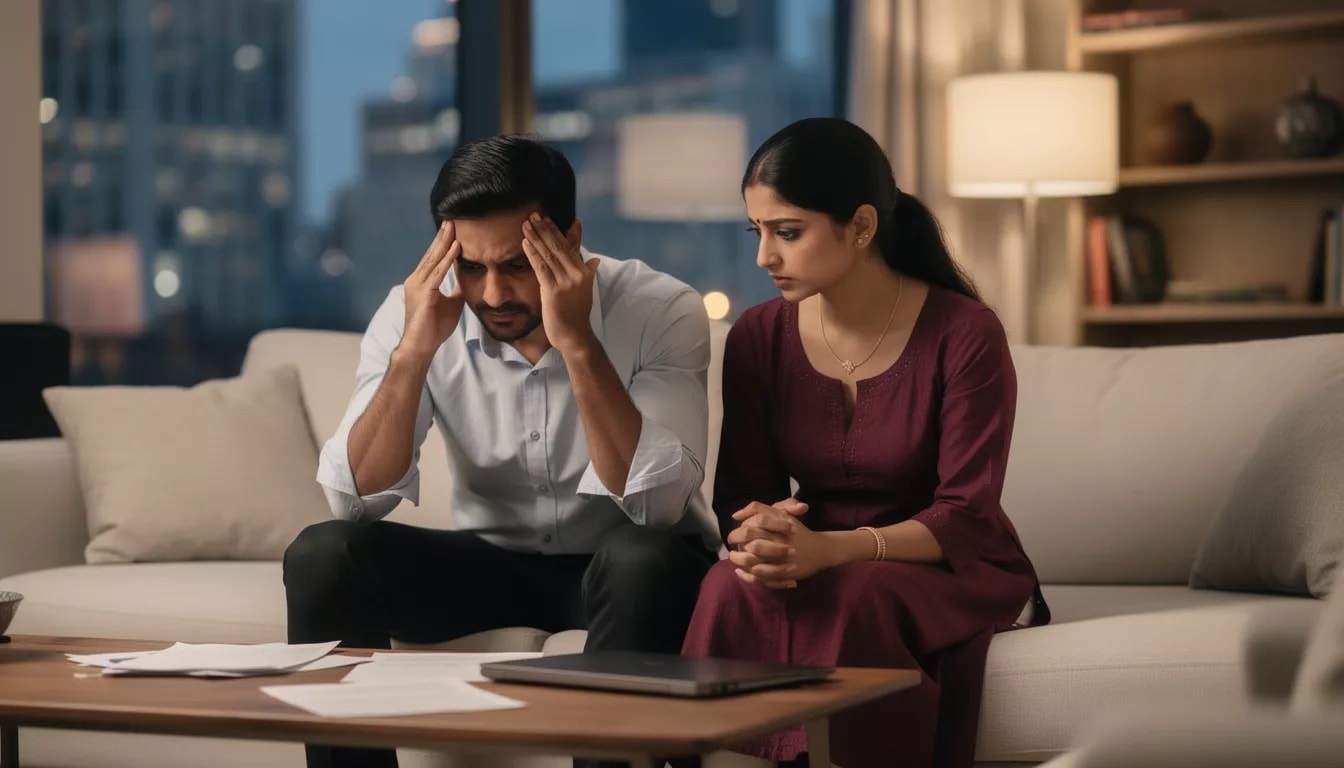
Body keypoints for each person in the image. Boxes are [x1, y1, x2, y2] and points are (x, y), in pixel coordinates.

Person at [285, 134, 720, 768]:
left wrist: (578, 342)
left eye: (517, 266)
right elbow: (353, 502)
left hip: (631, 569)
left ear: (570, 241)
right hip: (490, 564)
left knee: (639, 558)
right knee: (323, 553)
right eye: (470, 267)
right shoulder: (417, 311)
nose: (491, 296)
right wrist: (413, 353)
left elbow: (656, 506)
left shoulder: (660, 309)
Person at [679, 117, 1050, 768]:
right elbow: (741, 494)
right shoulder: (758, 337)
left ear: (861, 226)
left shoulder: (966, 333)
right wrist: (765, 534)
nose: (764, 257)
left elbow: (965, 516)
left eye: (787, 232)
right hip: (818, 554)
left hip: (948, 566)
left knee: (857, 595)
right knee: (726, 586)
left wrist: (832, 549)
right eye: (756, 232)